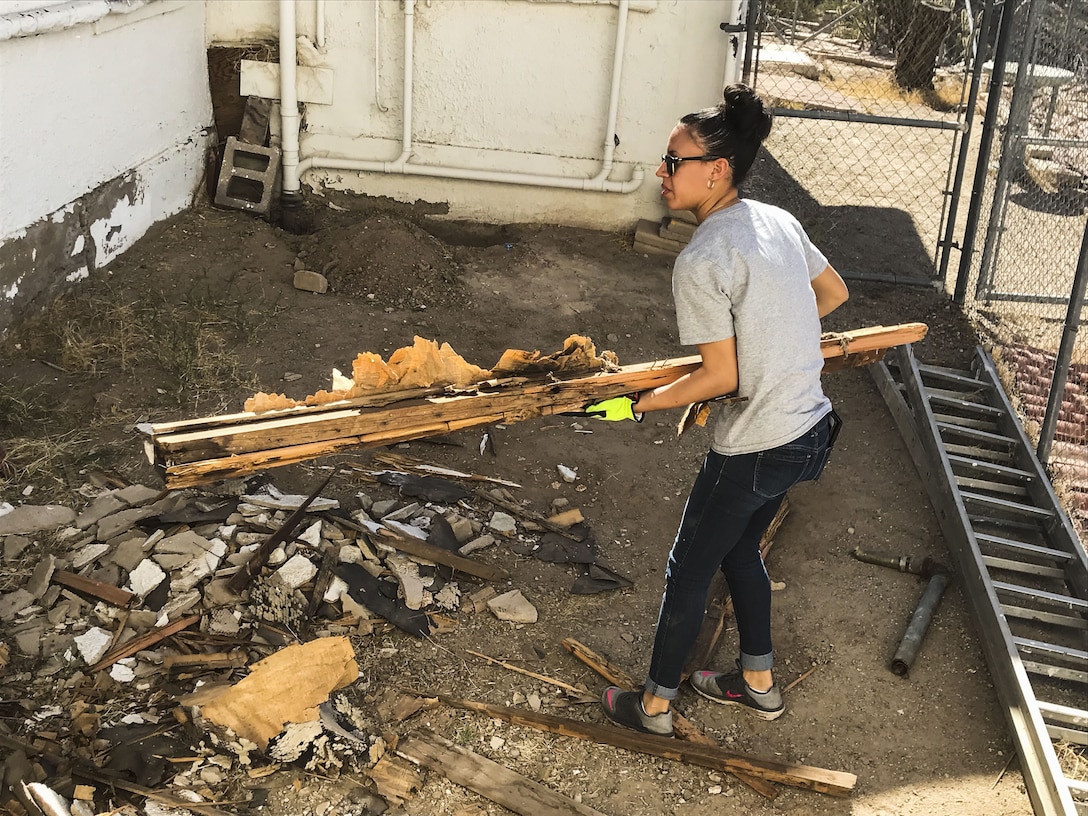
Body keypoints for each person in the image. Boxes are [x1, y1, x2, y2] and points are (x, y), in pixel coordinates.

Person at [586, 84, 849, 736]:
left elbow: (719, 376)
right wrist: (775, 337)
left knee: (688, 569)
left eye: (675, 161)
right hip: (810, 429)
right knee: (740, 554)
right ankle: (757, 681)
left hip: (757, 443)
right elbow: (833, 293)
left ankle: (653, 706)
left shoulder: (704, 255)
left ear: (717, 170)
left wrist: (629, 405)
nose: (662, 172)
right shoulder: (778, 221)